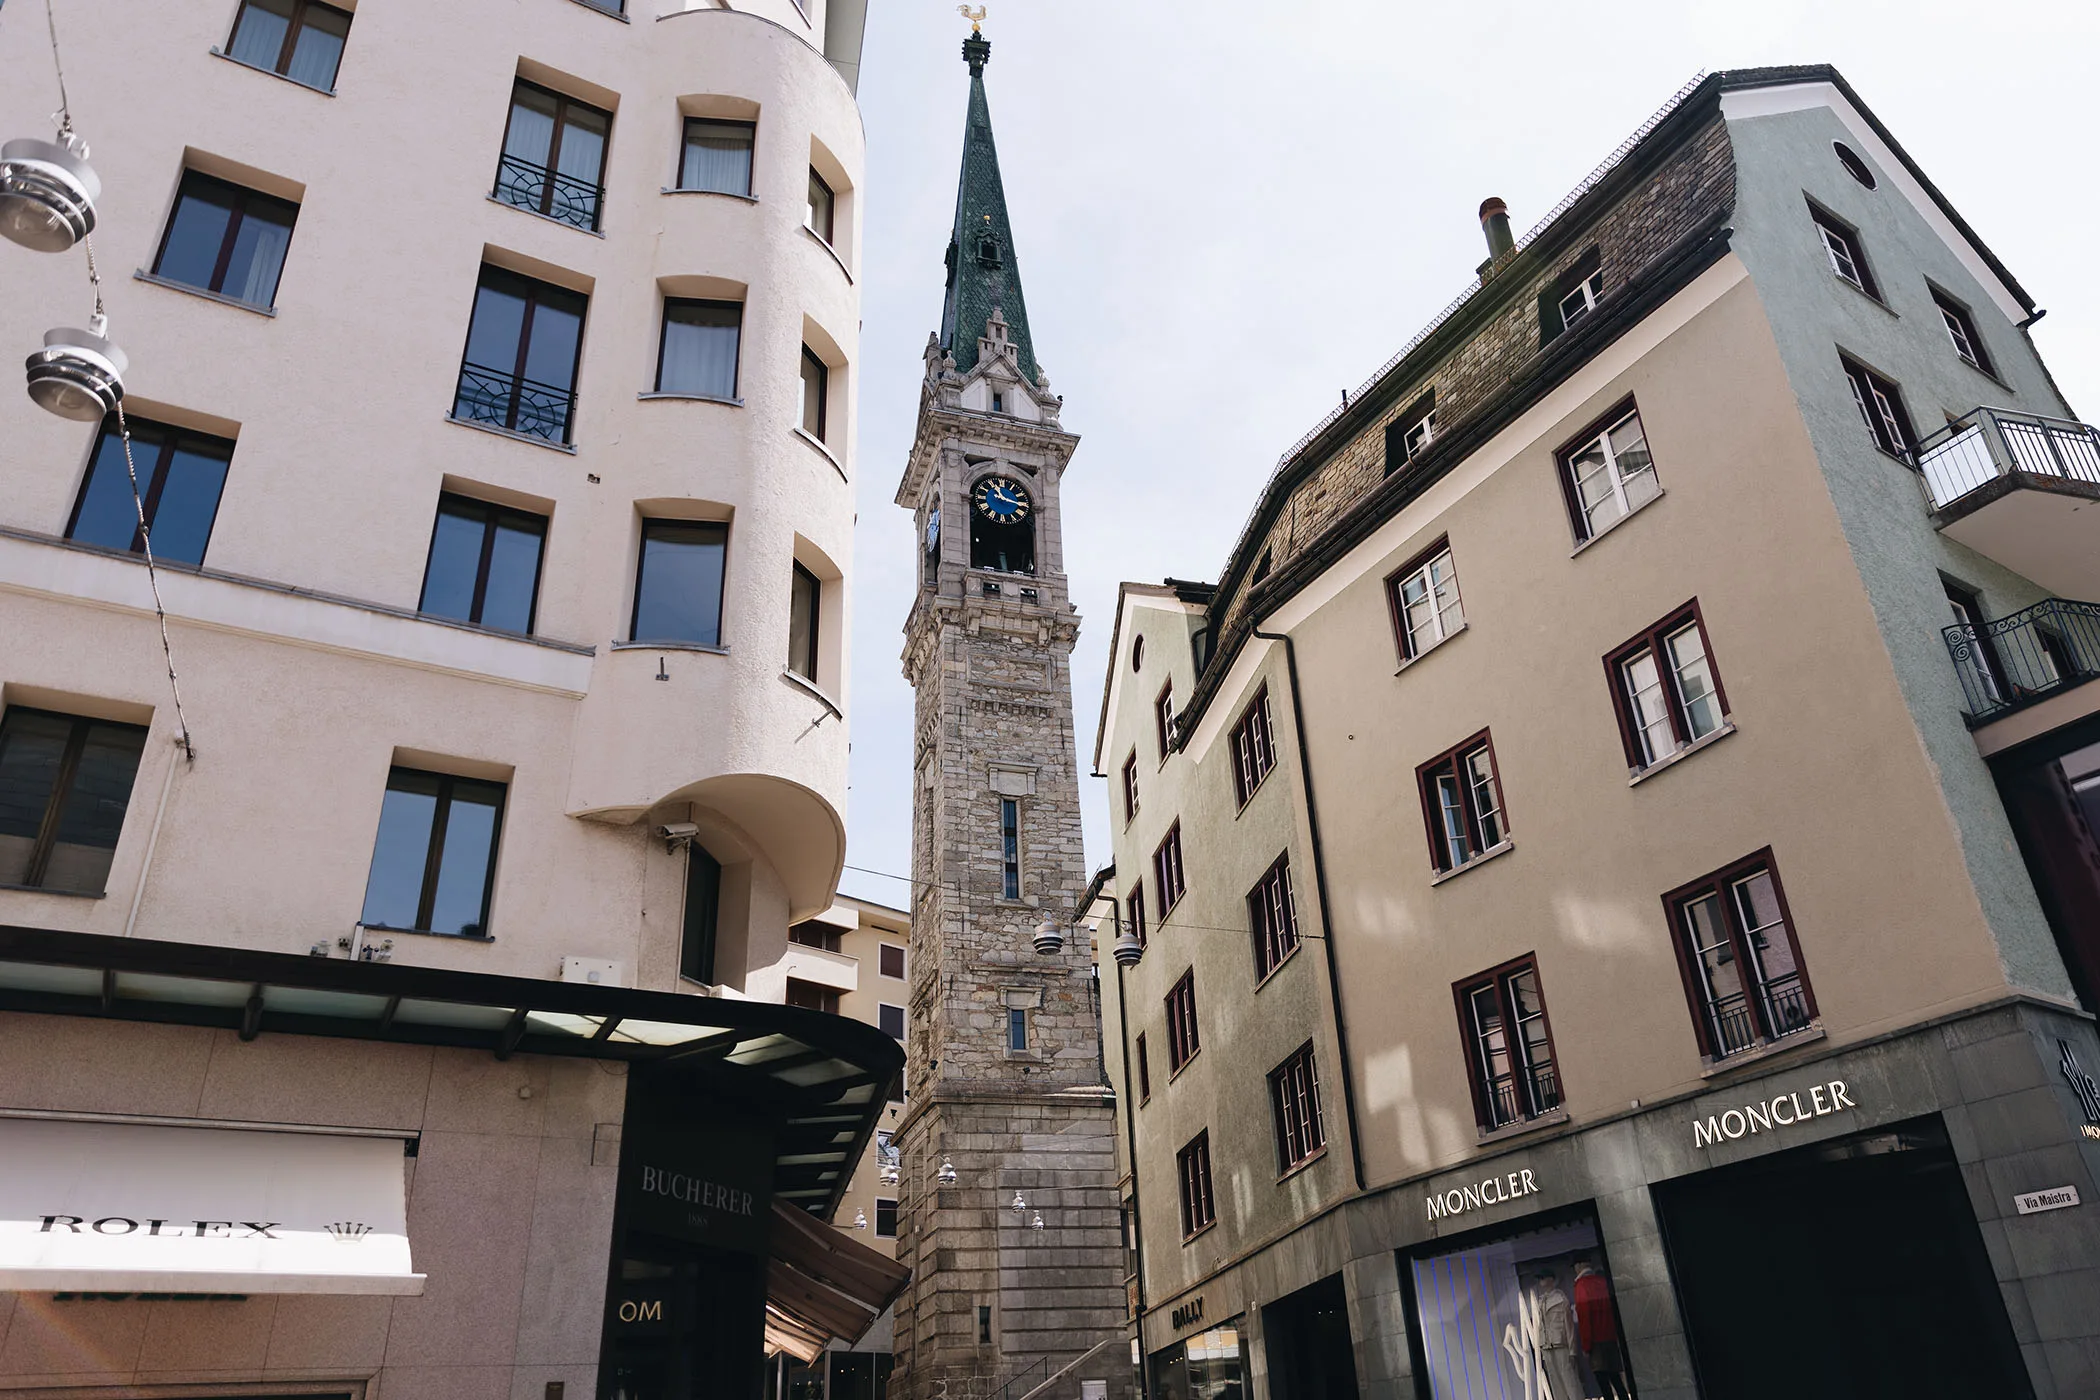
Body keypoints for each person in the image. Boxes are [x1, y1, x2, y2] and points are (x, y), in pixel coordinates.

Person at [1573, 1259, 1632, 1399]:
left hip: (1596, 1342)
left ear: (1579, 1266)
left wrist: (1586, 1346)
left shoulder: (1581, 1285)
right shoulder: (1602, 1282)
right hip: (1610, 1338)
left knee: (1603, 1383)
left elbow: (1585, 1317)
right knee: (1616, 1379)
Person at [1534, 1267, 1585, 1400]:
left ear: (1551, 1279)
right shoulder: (1540, 1301)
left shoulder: (1560, 1299)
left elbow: (1569, 1326)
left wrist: (1573, 1351)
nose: (1541, 1281)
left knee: (1570, 1381)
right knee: (1555, 1383)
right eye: (1540, 1278)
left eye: (1543, 1277)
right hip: (1547, 1345)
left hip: (1561, 1344)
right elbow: (1540, 1325)